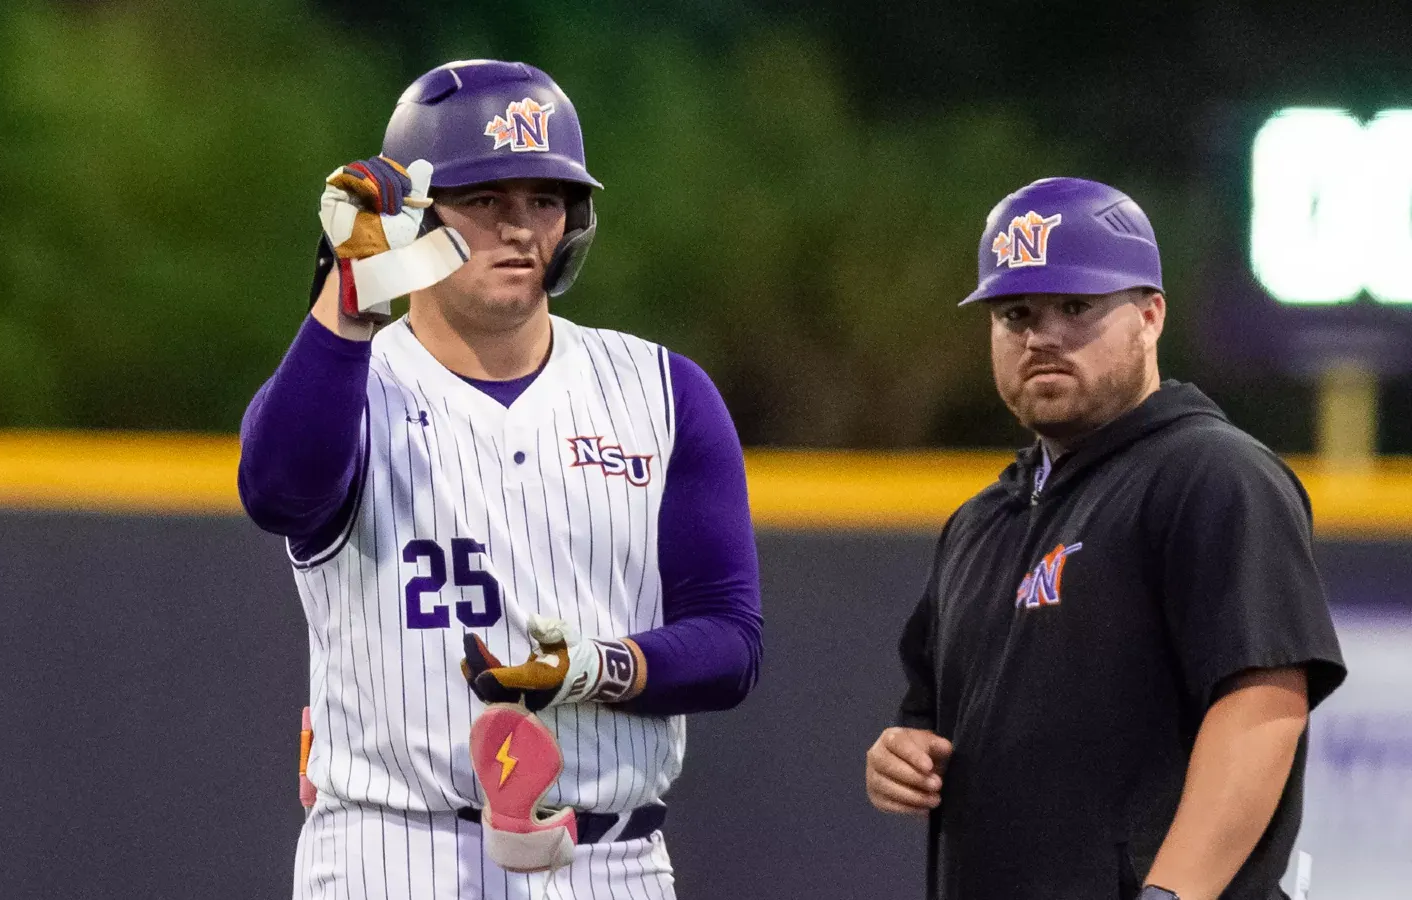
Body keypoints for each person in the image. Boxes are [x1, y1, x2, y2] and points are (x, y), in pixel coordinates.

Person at [238, 59, 763, 900]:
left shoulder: (663, 391)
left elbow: (730, 645)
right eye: (484, 200)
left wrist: (590, 669)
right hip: (395, 848)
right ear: (414, 217)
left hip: (615, 859)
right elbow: (278, 492)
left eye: (545, 199)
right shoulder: (348, 382)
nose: (519, 227)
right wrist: (349, 297)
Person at [863, 177, 1347, 900]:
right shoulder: (981, 521)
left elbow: (1263, 705)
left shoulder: (1212, 474)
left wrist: (1174, 894)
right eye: (1016, 313)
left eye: (1076, 306)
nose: (1042, 336)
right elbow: (930, 719)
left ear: (1150, 316)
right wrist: (899, 756)